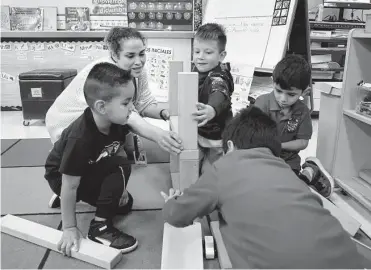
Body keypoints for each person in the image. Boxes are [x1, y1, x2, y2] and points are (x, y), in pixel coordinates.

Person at [161, 106, 364, 269]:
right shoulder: (287, 172)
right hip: (350, 260)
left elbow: (178, 215)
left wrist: (171, 203)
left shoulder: (224, 167)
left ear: (230, 147)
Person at [46, 27, 183, 208]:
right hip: (66, 123)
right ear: (114, 54)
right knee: (84, 166)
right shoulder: (107, 75)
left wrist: (166, 114)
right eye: (130, 55)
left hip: (99, 120)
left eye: (142, 54)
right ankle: (65, 192)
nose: (138, 61)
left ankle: (81, 187)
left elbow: (143, 102)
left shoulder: (136, 71)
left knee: (118, 154)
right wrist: (158, 135)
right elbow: (128, 116)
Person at [45, 63, 140, 256]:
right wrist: (70, 227)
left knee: (124, 204)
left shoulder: (115, 120)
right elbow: (69, 185)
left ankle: (75, 196)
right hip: (61, 177)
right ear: (101, 107)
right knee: (121, 166)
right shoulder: (81, 138)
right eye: (126, 102)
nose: (132, 108)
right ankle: (100, 228)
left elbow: (123, 144)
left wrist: (119, 190)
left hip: (86, 167)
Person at [253, 55, 334, 198]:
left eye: (291, 94)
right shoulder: (261, 103)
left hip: (288, 162)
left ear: (305, 91)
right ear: (273, 83)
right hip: (261, 159)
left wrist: (279, 145)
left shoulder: (302, 112)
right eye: (278, 91)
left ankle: (310, 172)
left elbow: (303, 142)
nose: (283, 99)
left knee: (292, 192)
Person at [191, 23, 234, 174]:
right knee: (193, 166)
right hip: (199, 131)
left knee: (213, 172)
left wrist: (212, 109)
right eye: (196, 51)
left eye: (208, 52)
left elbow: (219, 93)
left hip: (217, 136)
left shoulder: (218, 76)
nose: (200, 57)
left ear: (221, 56)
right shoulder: (197, 68)